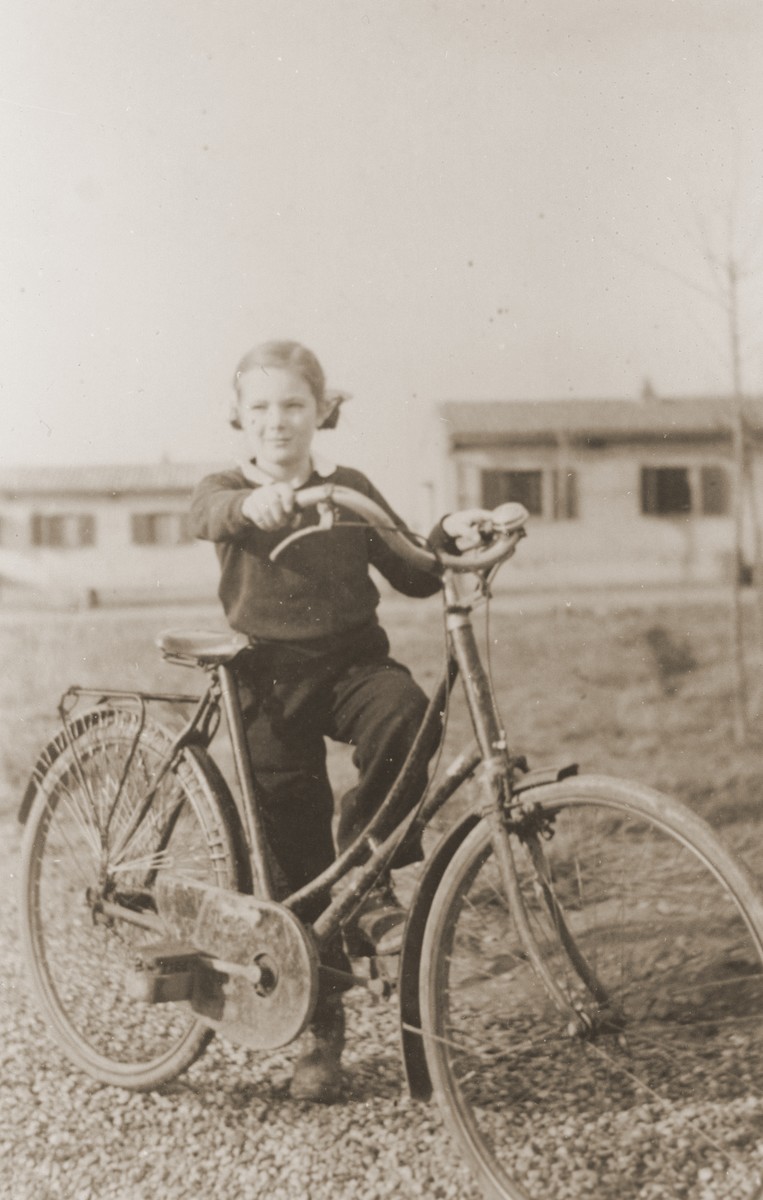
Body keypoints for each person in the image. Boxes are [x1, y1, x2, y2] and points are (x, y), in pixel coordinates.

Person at [190, 339, 458, 1104]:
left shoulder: (350, 488)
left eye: (294, 406)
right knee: (294, 854)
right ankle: (319, 1031)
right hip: (266, 682)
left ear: (321, 412)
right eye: (262, 408)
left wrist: (451, 538)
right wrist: (251, 507)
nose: (279, 422)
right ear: (240, 418)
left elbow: (412, 569)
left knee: (405, 713)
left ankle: (373, 871)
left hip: (350, 667)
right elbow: (206, 513)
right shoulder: (227, 488)